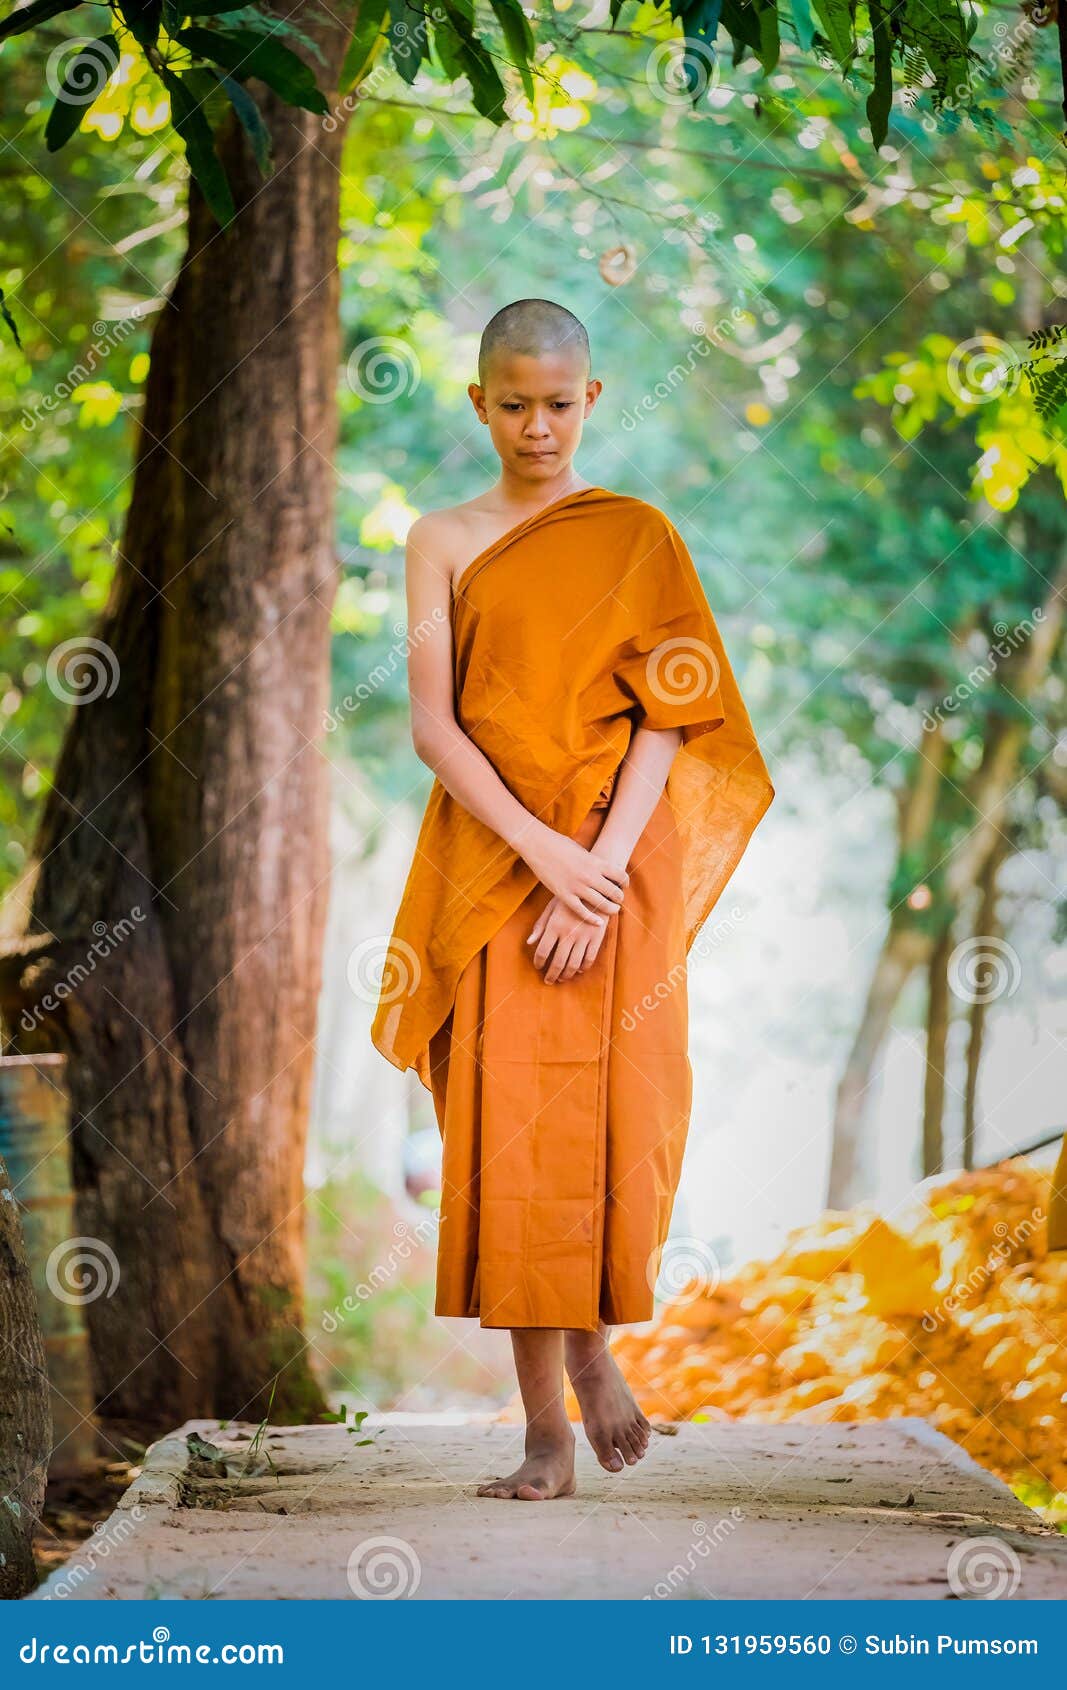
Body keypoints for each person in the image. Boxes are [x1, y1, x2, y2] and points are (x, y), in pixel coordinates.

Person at [371, 298, 774, 1500]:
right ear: (478, 403)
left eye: (556, 404)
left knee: (614, 1116)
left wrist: (594, 873)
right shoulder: (441, 538)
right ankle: (547, 1424)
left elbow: (674, 706)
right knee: (506, 1134)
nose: (535, 427)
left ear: (589, 401)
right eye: (512, 404)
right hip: (497, 857)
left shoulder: (636, 533)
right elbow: (435, 728)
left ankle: (599, 1346)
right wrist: (542, 854)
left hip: (619, 866)